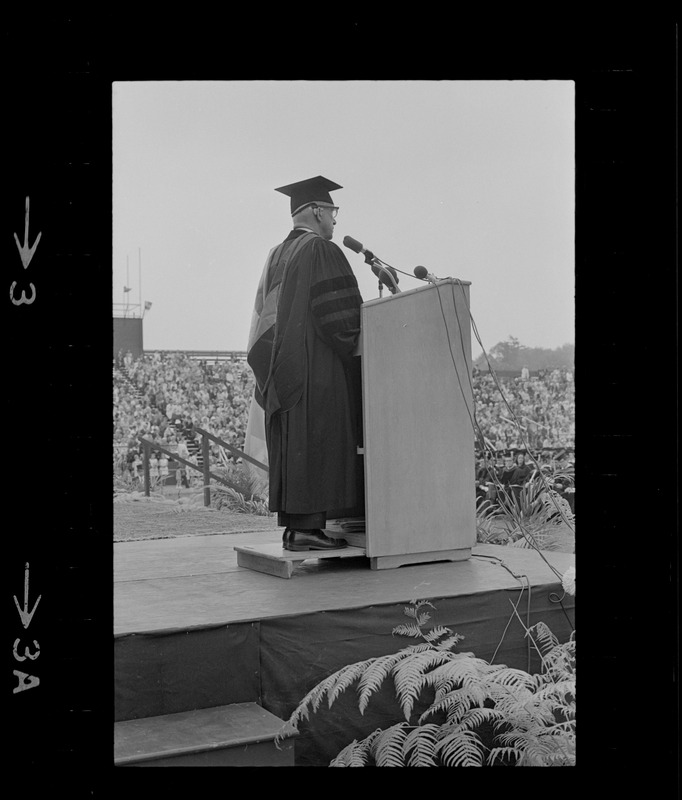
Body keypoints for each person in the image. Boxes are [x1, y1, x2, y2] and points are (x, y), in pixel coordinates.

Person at [245, 175, 364, 552]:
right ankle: (307, 529)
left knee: (299, 446)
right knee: (318, 441)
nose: (334, 220)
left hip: (287, 371)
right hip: (317, 371)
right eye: (332, 212)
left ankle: (297, 528)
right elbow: (342, 318)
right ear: (316, 210)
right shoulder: (320, 251)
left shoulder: (277, 253)